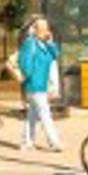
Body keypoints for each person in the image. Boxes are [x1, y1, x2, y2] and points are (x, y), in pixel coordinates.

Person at [16, 16, 62, 152]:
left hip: (41, 85)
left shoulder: (44, 45)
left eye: (47, 29)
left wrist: (50, 42)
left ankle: (26, 142)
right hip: (34, 85)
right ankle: (54, 142)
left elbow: (55, 55)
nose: (46, 31)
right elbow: (24, 62)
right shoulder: (30, 43)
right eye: (42, 29)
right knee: (45, 114)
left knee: (32, 115)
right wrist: (29, 76)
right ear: (35, 30)